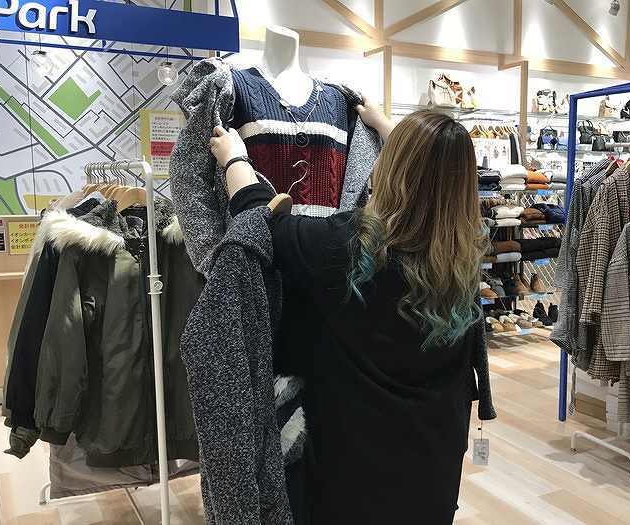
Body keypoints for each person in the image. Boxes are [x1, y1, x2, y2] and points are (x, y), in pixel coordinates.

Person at [209, 101, 493, 525]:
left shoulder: (345, 247)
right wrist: (385, 126)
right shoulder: (461, 260)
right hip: (433, 469)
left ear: (390, 170)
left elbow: (264, 225)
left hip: (354, 477)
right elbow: (435, 173)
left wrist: (235, 161)